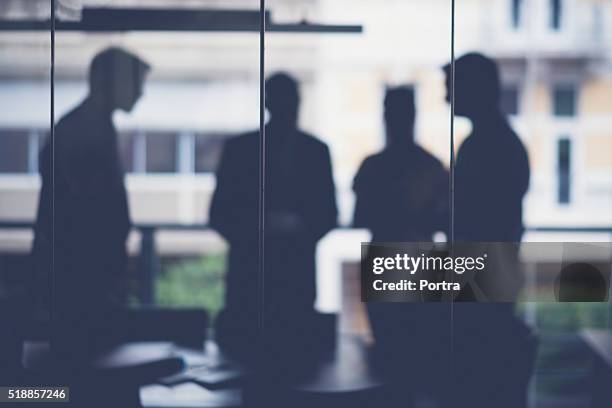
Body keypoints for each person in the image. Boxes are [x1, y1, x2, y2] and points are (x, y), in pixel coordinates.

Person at [210, 73, 338, 364]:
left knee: (280, 367)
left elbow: (328, 215)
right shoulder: (244, 150)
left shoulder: (313, 152)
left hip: (289, 284)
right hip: (255, 284)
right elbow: (219, 214)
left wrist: (282, 228)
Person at [32, 47, 150, 360]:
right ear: (107, 81)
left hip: (84, 283)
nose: (141, 91)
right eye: (136, 82)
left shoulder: (85, 127)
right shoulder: (80, 133)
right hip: (82, 286)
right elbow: (83, 221)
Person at [442, 53, 535, 408]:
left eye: (451, 87)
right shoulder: (496, 141)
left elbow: (474, 217)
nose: (446, 97)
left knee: (480, 382)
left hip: (481, 280)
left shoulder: (487, 145)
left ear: (474, 89)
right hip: (487, 277)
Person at [353, 87, 450, 405]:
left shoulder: (371, 167)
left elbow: (360, 217)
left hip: (387, 261)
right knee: (417, 361)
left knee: (390, 359)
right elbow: (444, 223)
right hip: (418, 263)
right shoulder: (432, 166)